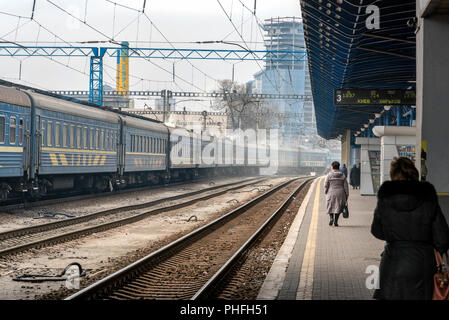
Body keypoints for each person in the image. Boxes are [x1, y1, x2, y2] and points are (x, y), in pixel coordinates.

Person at [371, 157, 449, 300]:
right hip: (423, 265)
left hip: (393, 262)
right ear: (414, 173)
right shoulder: (428, 197)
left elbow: (376, 231)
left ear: (393, 174)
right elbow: (442, 238)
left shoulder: (385, 198)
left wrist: (394, 236)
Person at [324, 161, 349, 227]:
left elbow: (326, 185)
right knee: (338, 206)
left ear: (332, 167)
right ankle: (336, 221)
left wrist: (325, 191)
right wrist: (347, 194)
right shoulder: (342, 175)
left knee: (331, 206)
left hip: (331, 192)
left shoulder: (329, 175)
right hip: (340, 193)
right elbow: (346, 186)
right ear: (338, 167)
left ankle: (331, 218)